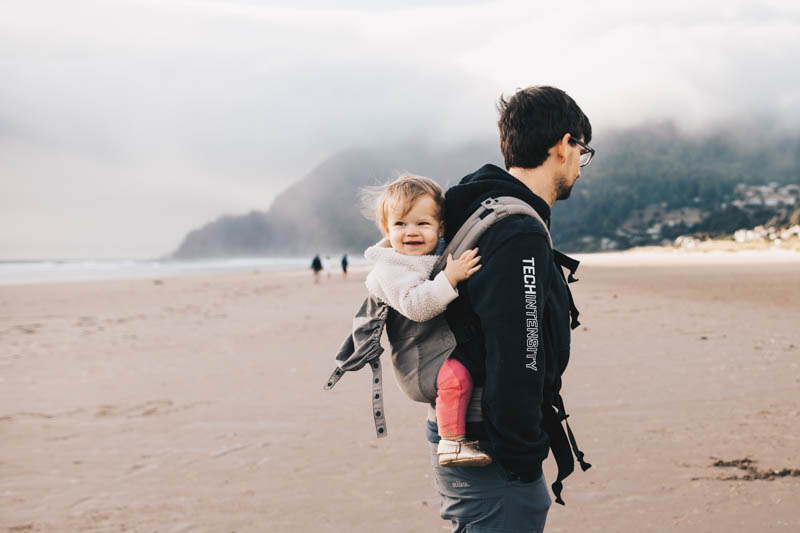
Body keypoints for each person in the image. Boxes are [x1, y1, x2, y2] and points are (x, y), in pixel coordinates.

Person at [427, 85, 595, 532]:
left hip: (460, 423)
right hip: (492, 442)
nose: (582, 166)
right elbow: (519, 349)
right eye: (584, 152)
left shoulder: (477, 203)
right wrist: (523, 457)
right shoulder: (518, 231)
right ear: (564, 145)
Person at [363, 174, 490, 466]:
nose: (411, 232)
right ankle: (451, 443)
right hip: (417, 360)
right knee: (456, 378)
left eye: (422, 224)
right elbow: (416, 306)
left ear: (440, 227)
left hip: (433, 347)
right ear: (386, 228)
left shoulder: (427, 253)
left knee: (461, 373)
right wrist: (450, 277)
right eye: (400, 224)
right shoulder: (390, 269)